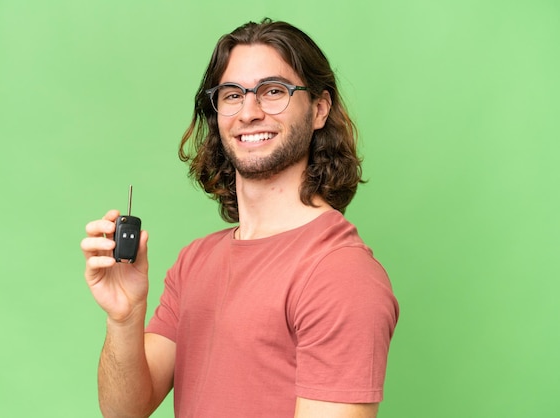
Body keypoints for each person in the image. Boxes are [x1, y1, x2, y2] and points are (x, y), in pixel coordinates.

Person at [81, 18, 399, 418]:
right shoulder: (195, 261)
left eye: (272, 91)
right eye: (232, 95)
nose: (249, 112)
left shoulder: (339, 273)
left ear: (319, 108)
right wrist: (124, 318)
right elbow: (123, 410)